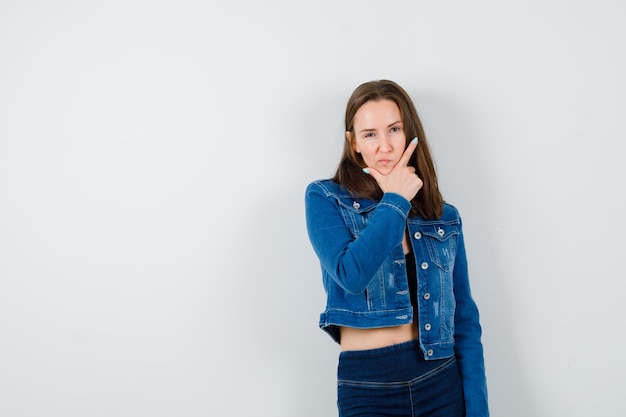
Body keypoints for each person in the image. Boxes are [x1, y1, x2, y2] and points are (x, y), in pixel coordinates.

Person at [305, 80, 489, 417]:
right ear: (354, 142)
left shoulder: (444, 217)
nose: (385, 146)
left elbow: (463, 319)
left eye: (394, 129)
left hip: (440, 379)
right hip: (368, 388)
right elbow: (352, 274)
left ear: (410, 135)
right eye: (370, 134)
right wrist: (395, 200)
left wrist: (478, 410)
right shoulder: (325, 199)